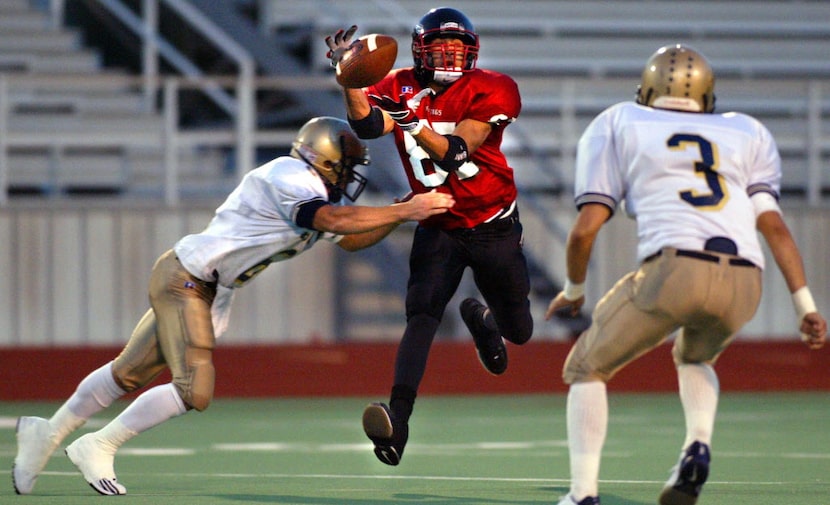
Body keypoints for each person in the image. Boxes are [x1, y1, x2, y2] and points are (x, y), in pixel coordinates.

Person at [12, 116, 454, 496]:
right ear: (324, 158)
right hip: (188, 278)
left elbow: (352, 239)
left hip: (203, 284)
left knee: (128, 372)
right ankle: (100, 445)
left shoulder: (315, 191)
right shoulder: (288, 177)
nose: (351, 175)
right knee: (194, 389)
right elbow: (330, 220)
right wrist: (404, 212)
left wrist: (401, 210)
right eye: (349, 165)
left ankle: (45, 435)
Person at [543, 44, 827, 505]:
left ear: (647, 91)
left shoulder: (620, 121)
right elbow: (774, 227)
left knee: (585, 367)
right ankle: (697, 445)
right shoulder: (746, 131)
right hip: (745, 279)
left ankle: (582, 495)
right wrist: (806, 307)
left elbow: (584, 231)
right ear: (707, 96)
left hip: (676, 267)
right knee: (695, 357)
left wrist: (574, 290)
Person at [325, 7, 534, 466]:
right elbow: (365, 124)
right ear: (421, 50)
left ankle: (488, 324)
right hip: (438, 220)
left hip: (491, 220)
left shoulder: (494, 87)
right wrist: (350, 78)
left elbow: (457, 152)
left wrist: (410, 120)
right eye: (441, 45)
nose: (451, 54)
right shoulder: (400, 82)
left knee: (520, 331)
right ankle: (398, 422)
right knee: (422, 316)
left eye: (459, 47)